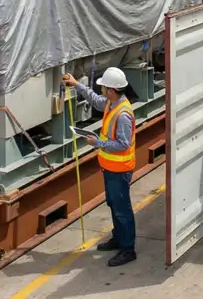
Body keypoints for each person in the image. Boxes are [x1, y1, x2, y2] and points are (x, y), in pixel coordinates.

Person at [61, 67, 137, 267]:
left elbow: (123, 144)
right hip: (110, 167)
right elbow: (94, 100)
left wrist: (98, 144)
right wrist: (76, 84)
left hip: (120, 170)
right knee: (114, 204)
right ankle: (119, 238)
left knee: (122, 209)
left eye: (103, 87)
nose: (101, 89)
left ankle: (128, 249)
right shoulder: (111, 104)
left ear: (112, 90)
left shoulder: (122, 115)